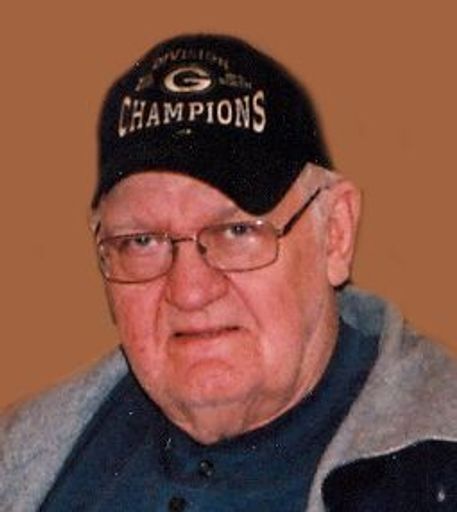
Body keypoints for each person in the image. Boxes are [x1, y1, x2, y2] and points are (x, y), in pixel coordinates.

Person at [1, 33, 457, 512]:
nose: (189, 291)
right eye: (142, 241)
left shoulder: (434, 474)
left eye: (237, 231)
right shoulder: (27, 464)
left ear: (335, 233)